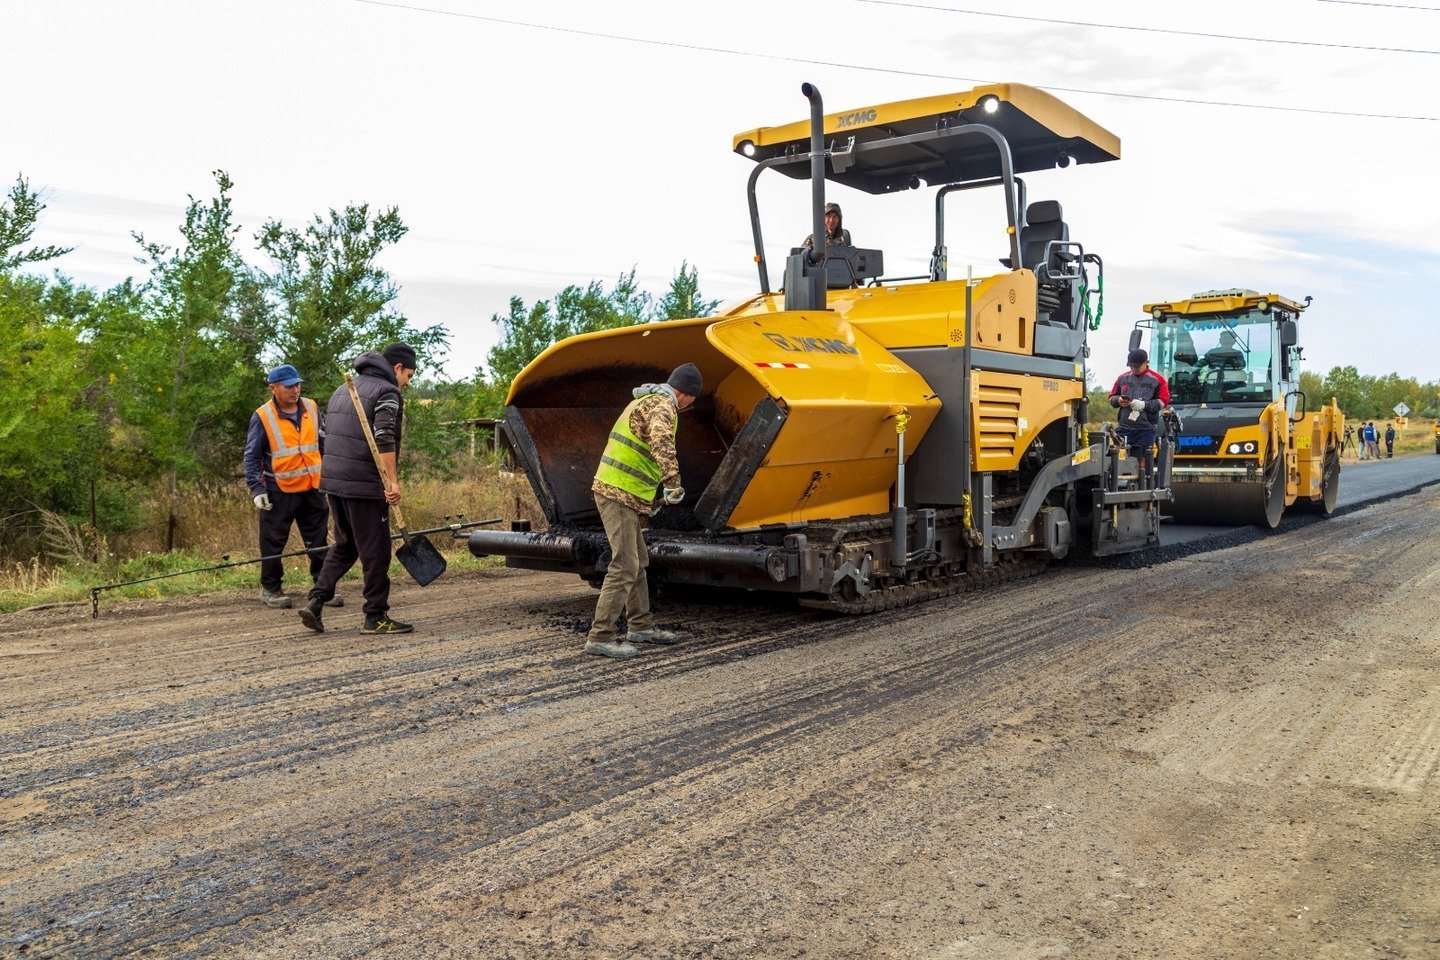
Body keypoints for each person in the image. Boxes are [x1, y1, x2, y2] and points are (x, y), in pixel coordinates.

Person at [584, 363, 703, 660]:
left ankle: (640, 627)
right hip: (618, 493)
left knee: (637, 562)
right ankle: (600, 636)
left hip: (626, 494)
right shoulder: (663, 406)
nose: (691, 405)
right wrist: (673, 484)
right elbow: (662, 443)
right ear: (686, 394)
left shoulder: (643, 400)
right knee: (624, 564)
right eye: (693, 399)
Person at [298, 343, 417, 636]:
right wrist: (392, 481)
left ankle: (316, 601)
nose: (407, 383)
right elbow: (384, 437)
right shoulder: (387, 392)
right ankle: (375, 616)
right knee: (376, 550)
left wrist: (337, 474)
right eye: (409, 376)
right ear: (398, 368)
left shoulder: (343, 391)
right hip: (363, 484)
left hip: (334, 482)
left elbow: (323, 439)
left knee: (346, 545)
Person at [243, 364, 340, 610]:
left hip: (313, 488)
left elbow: (325, 443)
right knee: (273, 542)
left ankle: (321, 589)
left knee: (318, 541)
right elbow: (252, 455)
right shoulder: (262, 416)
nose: (295, 390)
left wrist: (331, 475)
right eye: (289, 386)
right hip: (278, 490)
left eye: (297, 384)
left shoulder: (312, 407)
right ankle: (271, 588)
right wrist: (257, 489)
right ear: (273, 388)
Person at [1108, 348, 1171, 485]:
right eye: (1131, 366)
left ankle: (1145, 489)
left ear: (1146, 363)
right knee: (1114, 461)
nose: (1134, 369)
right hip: (1124, 428)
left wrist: (1144, 405)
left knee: (1143, 464)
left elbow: (1163, 402)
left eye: (1137, 366)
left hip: (1146, 430)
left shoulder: (1158, 380)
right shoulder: (1122, 378)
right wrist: (1118, 400)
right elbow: (1111, 397)